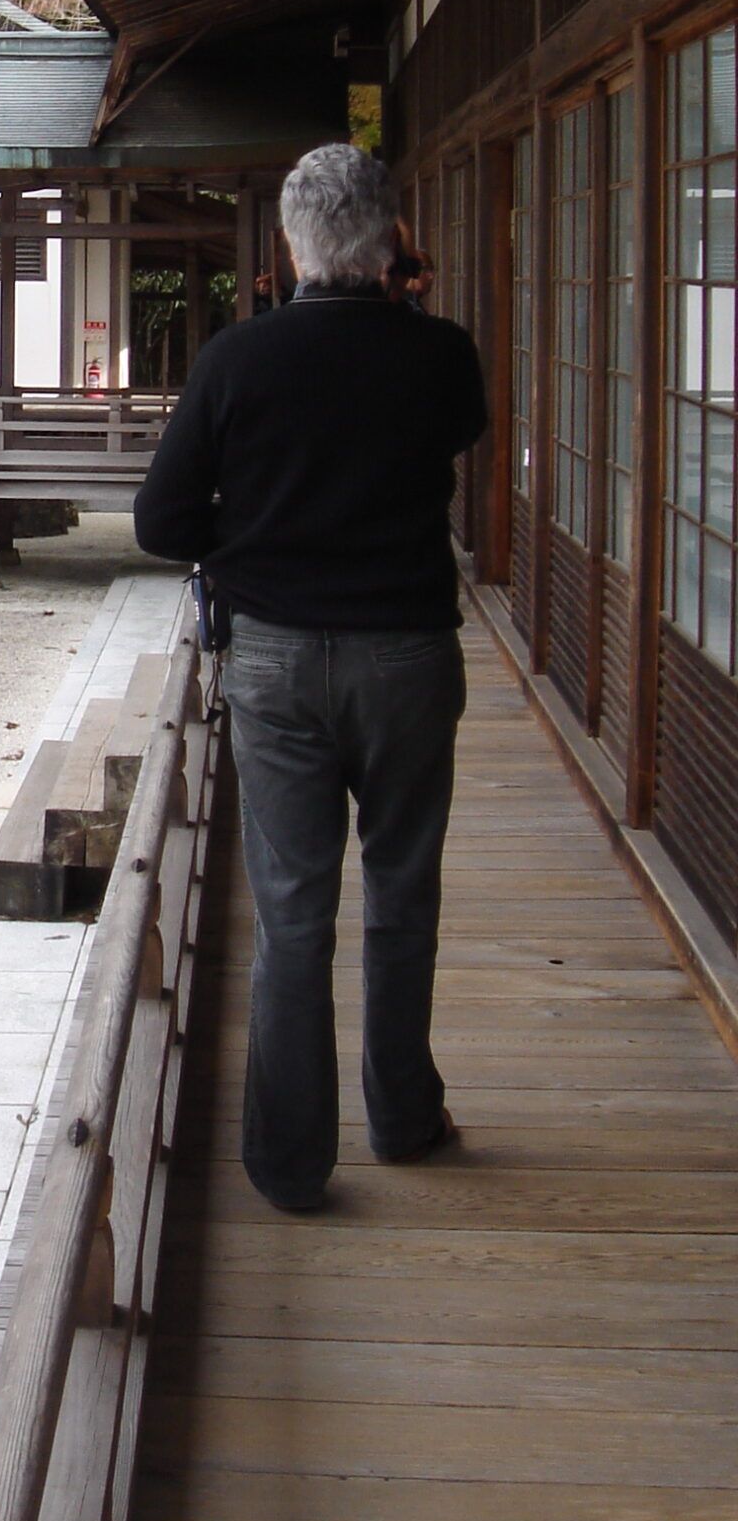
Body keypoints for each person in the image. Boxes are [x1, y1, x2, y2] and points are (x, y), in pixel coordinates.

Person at [133, 143, 487, 1214]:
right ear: (392, 239)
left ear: (289, 245)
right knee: (402, 891)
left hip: (280, 660)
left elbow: (162, 524)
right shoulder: (443, 356)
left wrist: (248, 539)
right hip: (409, 657)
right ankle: (404, 1116)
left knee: (291, 911)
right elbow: (453, 440)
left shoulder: (238, 361)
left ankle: (290, 1163)